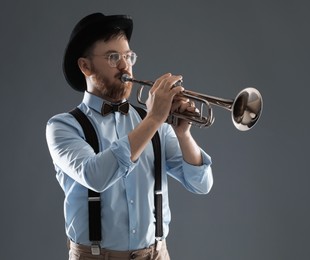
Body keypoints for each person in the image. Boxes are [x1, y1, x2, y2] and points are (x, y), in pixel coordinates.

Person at [46, 13, 213, 260]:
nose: (125, 65)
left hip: (156, 255)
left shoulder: (153, 121)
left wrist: (183, 133)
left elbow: (202, 185)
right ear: (85, 66)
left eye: (128, 56)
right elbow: (96, 175)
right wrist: (154, 118)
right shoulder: (62, 127)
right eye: (113, 57)